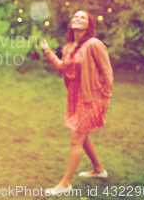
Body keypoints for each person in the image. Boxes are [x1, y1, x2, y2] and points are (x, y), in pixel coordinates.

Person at [40, 10, 113, 194]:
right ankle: (99, 170)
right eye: (75, 16)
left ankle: (65, 184)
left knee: (76, 138)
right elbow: (63, 69)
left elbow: (107, 71)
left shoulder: (94, 44)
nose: (77, 18)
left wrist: (106, 96)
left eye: (82, 17)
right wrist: (48, 52)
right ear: (71, 23)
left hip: (91, 98)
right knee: (81, 134)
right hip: (74, 97)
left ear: (89, 25)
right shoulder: (68, 48)